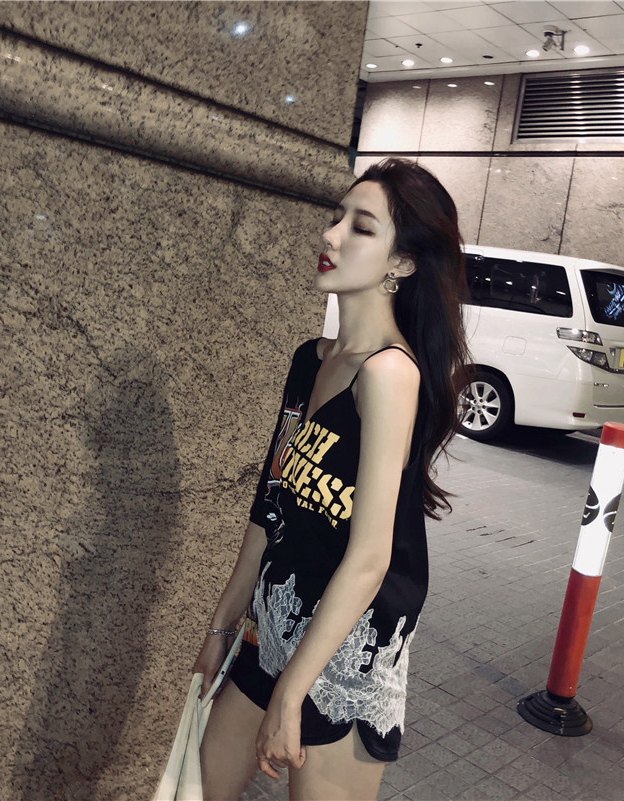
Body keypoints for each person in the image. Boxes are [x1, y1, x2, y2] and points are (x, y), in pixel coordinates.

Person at [192, 158, 469, 801]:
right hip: (273, 625)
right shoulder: (309, 361)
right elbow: (269, 508)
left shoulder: (389, 375)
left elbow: (371, 557)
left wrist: (293, 691)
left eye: (361, 227)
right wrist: (221, 628)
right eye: (336, 217)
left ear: (402, 263)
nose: (332, 235)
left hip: (346, 653)